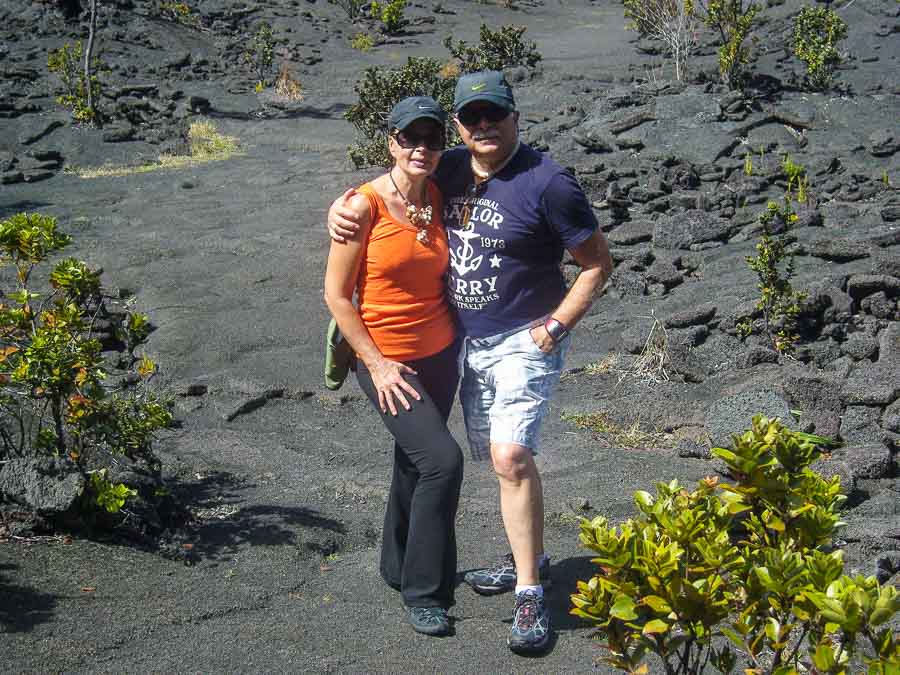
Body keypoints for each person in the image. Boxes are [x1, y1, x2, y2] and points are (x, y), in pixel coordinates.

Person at [329, 71, 613, 653]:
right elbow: (359, 244)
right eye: (471, 118)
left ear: (515, 118)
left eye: (495, 116)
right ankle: (436, 578)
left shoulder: (542, 181)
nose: (482, 127)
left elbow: (597, 263)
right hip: (438, 350)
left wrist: (557, 325)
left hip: (507, 342)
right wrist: (343, 206)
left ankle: (523, 589)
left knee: (500, 458)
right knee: (449, 458)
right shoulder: (437, 171)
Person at [323, 96, 464, 637]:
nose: (421, 149)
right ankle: (425, 590)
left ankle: (396, 563)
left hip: (440, 356)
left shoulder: (441, 190)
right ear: (391, 142)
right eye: (410, 138)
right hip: (385, 358)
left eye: (432, 139)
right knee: (441, 461)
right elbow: (337, 296)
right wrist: (378, 365)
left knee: (414, 459)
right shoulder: (362, 206)